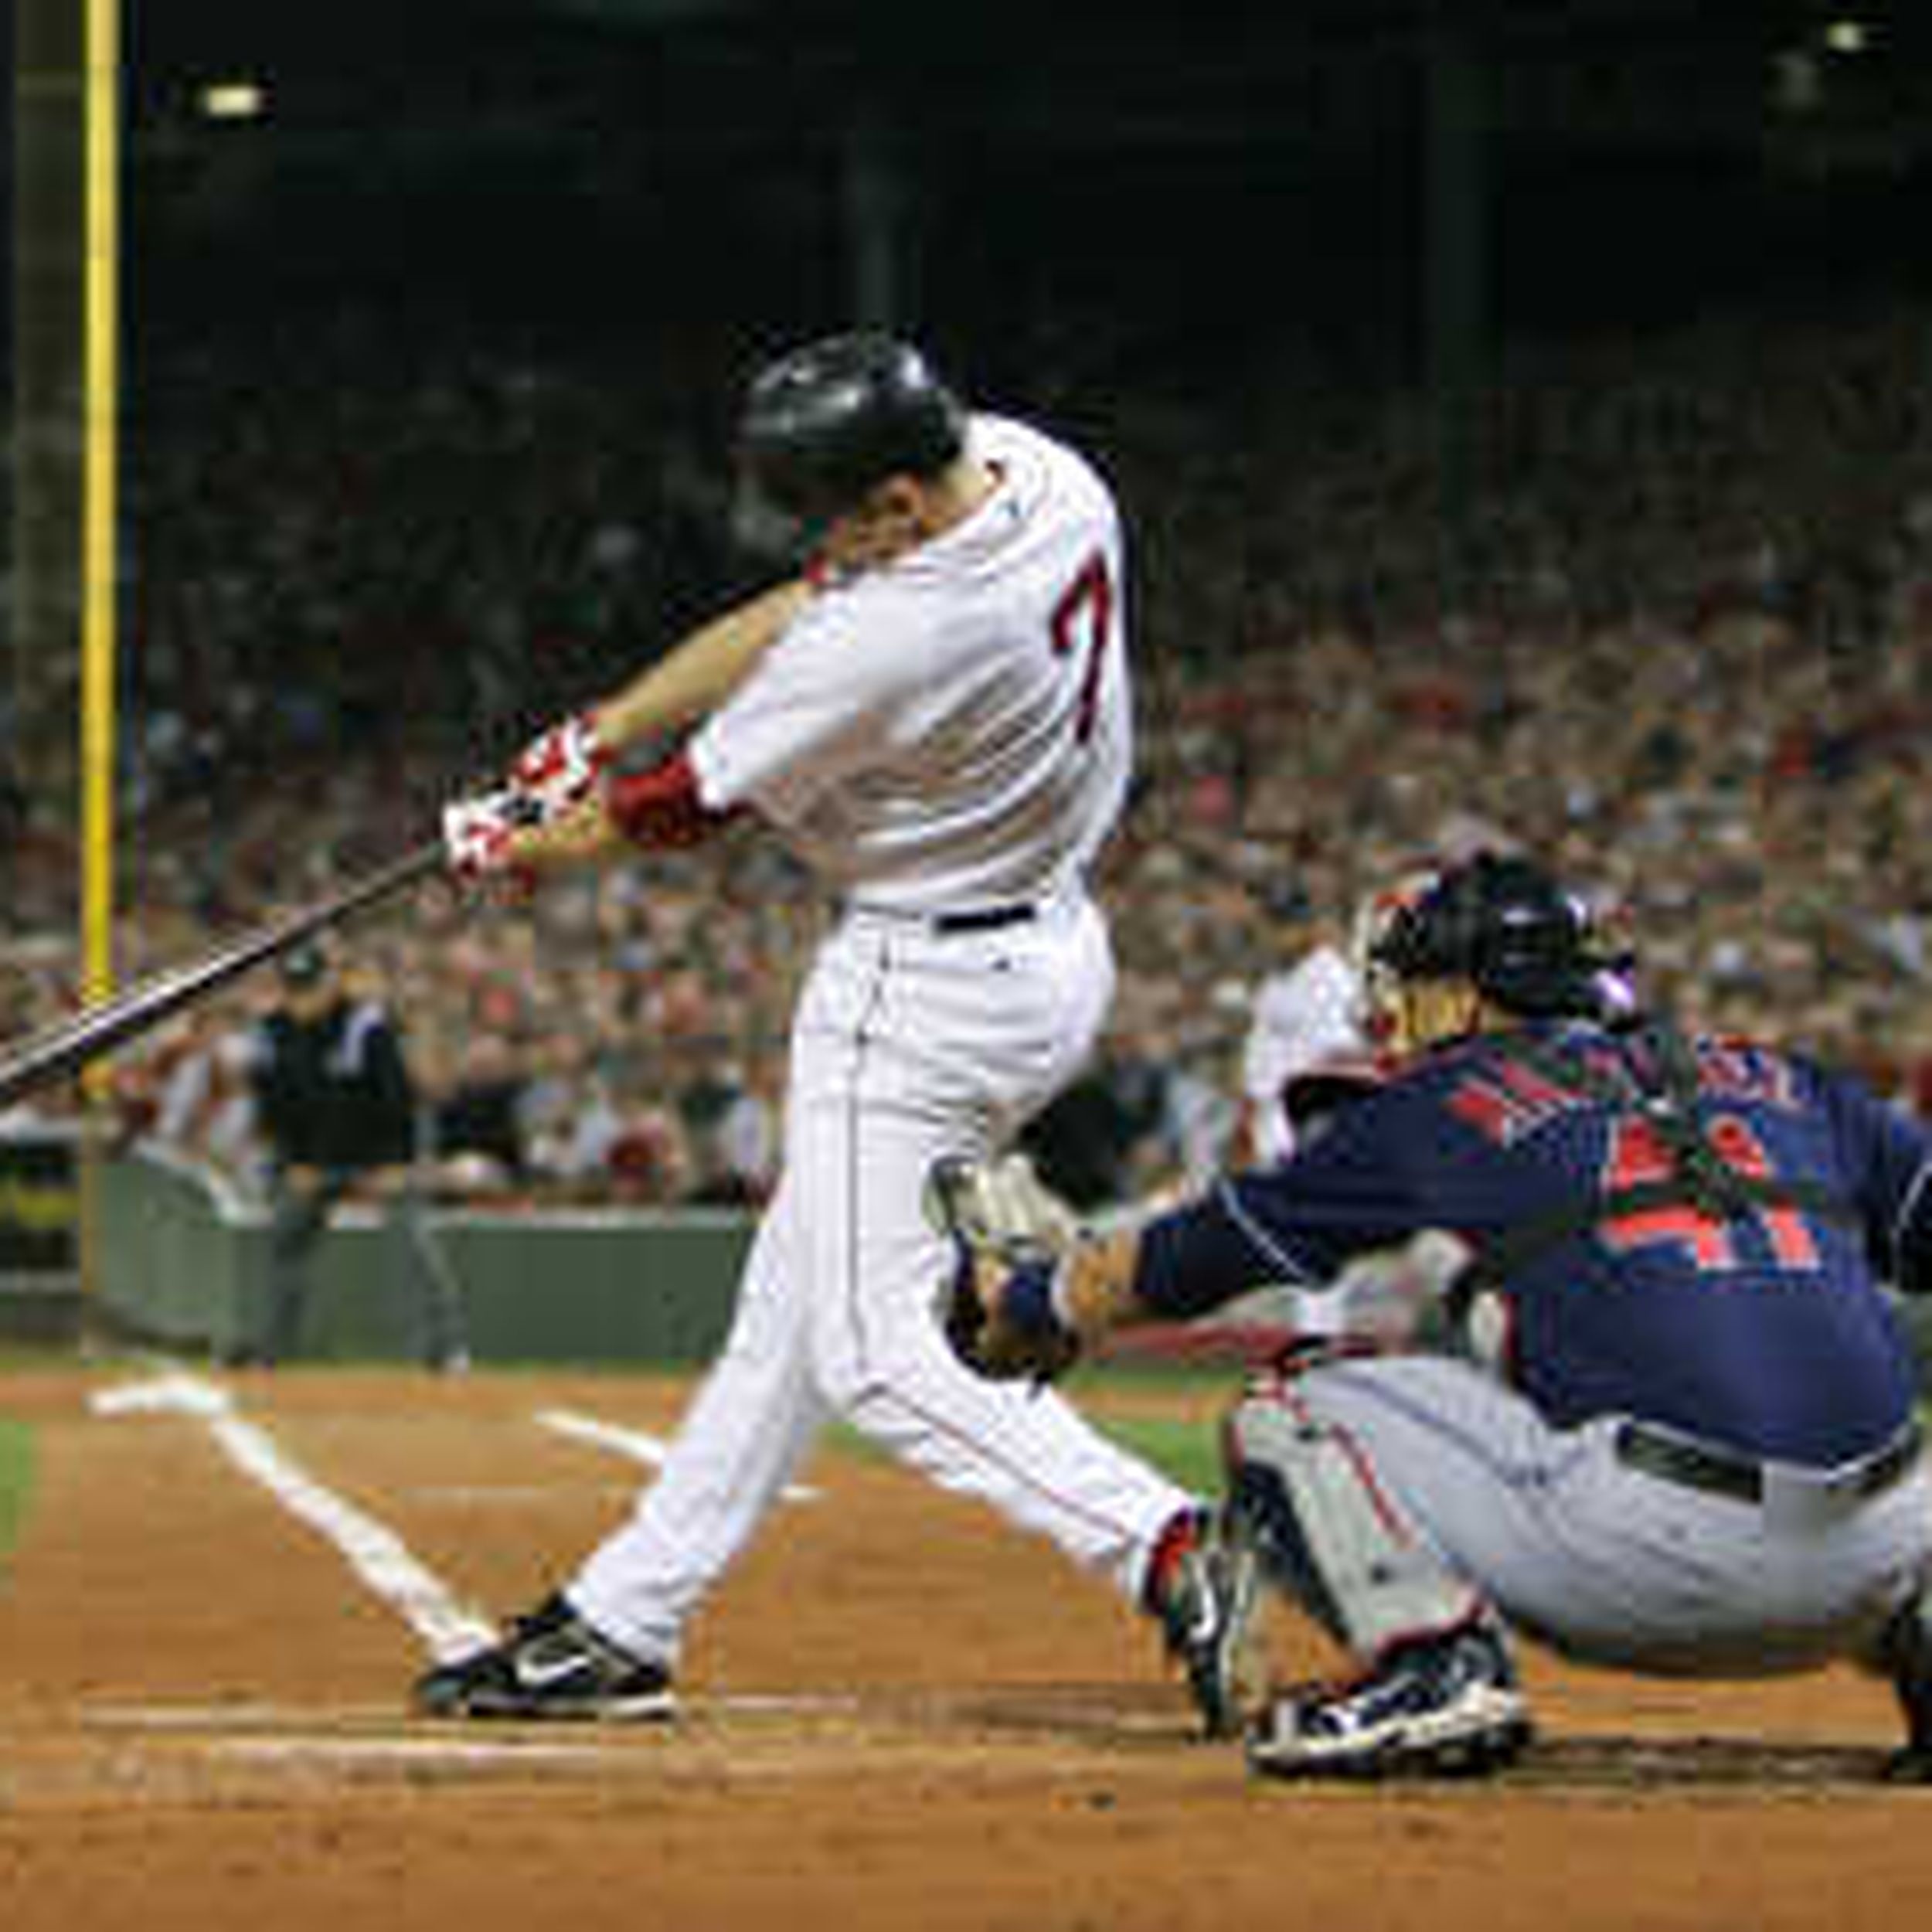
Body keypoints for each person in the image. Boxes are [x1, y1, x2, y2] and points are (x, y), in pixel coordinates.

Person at [415, 332, 1250, 1731]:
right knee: (791, 1315)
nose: (825, 539)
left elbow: (673, 813)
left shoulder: (904, 635)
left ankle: (1169, 1542)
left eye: (843, 512)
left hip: (917, 994)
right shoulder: (1043, 471)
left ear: (900, 505)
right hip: (1045, 947)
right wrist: (601, 722)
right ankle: (629, 1619)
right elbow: (803, 601)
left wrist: (511, 840)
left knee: (871, 1352)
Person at [942, 850, 1932, 1781]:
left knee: (1293, 1400)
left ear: (1463, 991)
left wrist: (1033, 1299)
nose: (1395, 1015)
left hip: (1659, 1565)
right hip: (1887, 1555)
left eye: (1411, 987)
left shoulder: (1443, 1101)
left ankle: (1433, 1664)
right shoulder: (1791, 1080)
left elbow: (1203, 1253)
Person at [243, 940, 470, 1372]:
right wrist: (292, 1162)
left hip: (378, 1155)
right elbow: (270, 1108)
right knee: (283, 1241)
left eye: (310, 986)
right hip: (310, 1160)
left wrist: (395, 1163)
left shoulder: (364, 1023)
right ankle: (269, 1350)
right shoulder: (271, 1031)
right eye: (294, 988)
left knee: (412, 1243)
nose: (302, 998)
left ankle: (446, 1348)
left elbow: (397, 1098)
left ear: (331, 981)